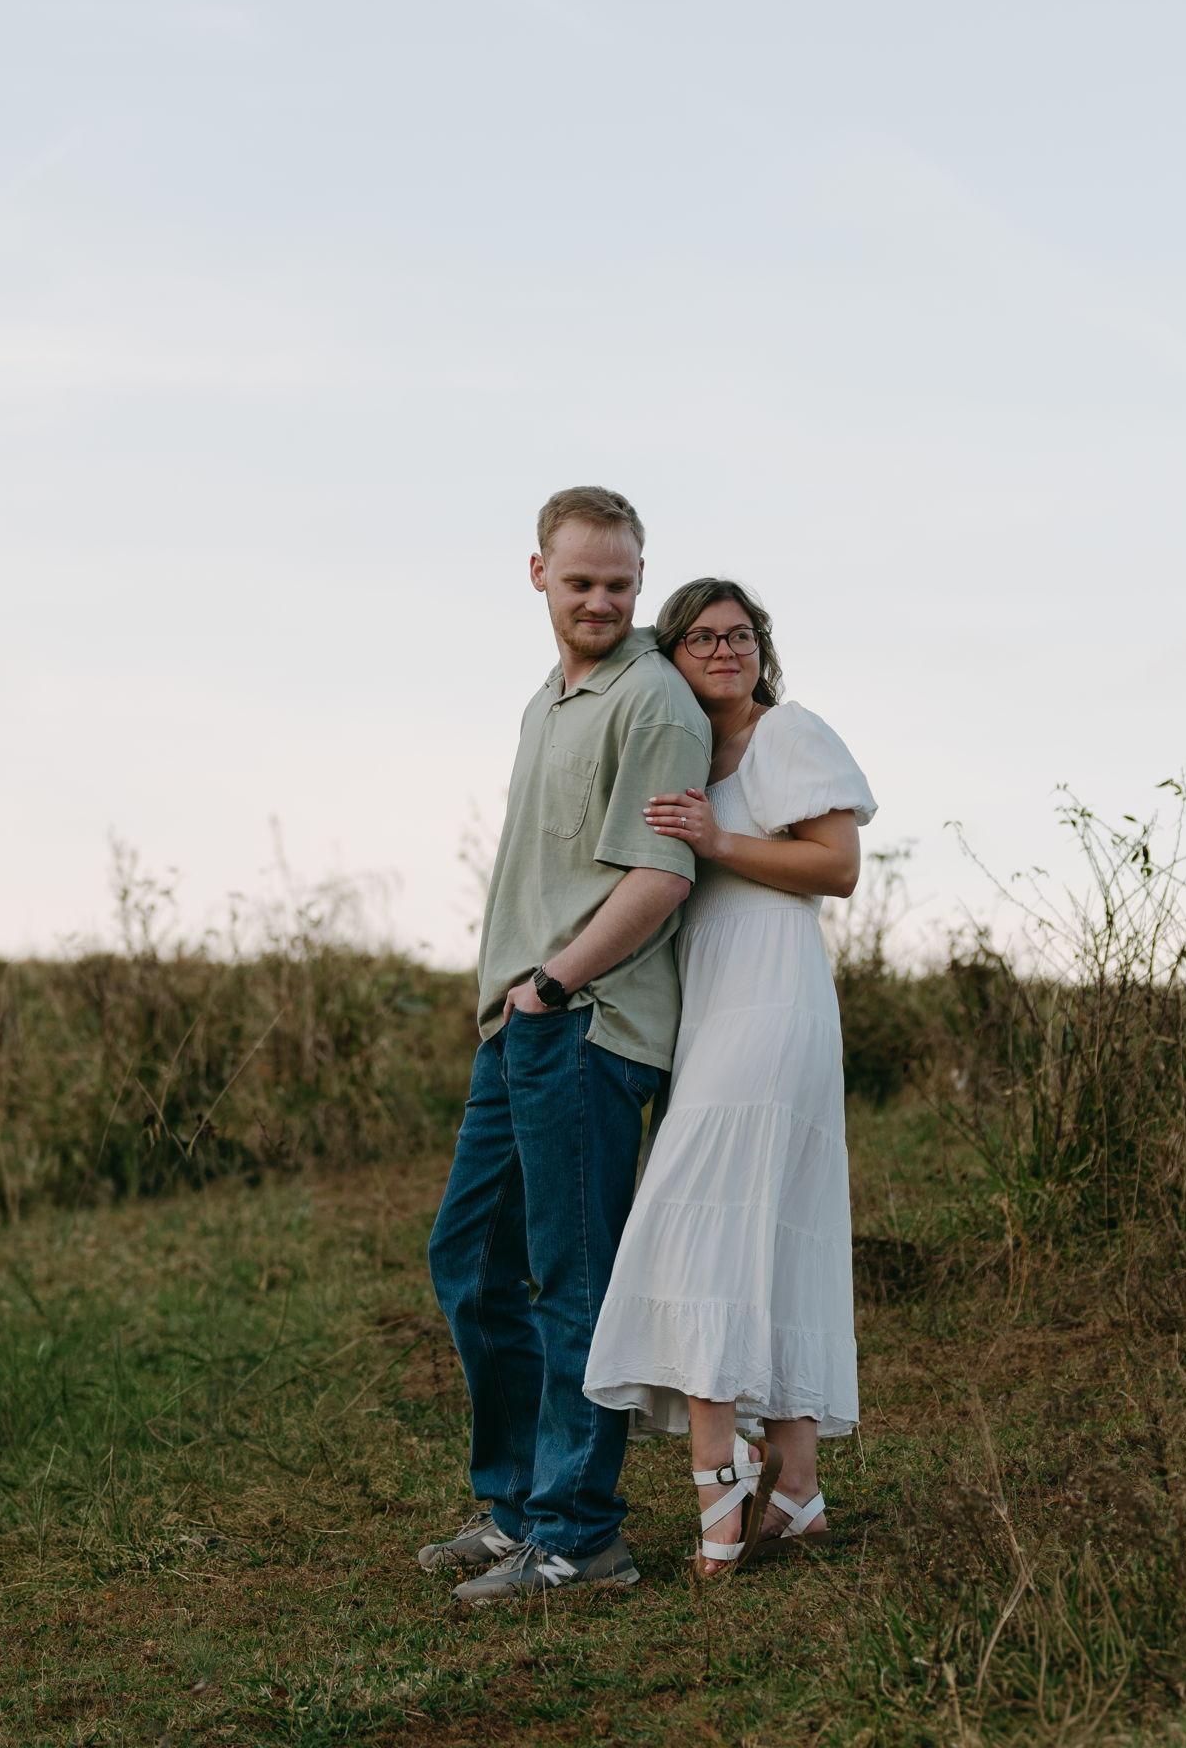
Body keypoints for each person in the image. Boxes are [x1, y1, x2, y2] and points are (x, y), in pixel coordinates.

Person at [421, 487, 710, 1604]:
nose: (601, 600)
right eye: (581, 580)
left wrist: (552, 985)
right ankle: (514, 1508)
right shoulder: (547, 701)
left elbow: (660, 874)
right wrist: (516, 1000)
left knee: (571, 1281)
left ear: (640, 579)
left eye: (620, 583)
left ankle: (581, 1536)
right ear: (537, 572)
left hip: (586, 1022)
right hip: (519, 1026)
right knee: (470, 1262)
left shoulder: (654, 700)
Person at [583, 578, 876, 1575]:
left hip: (773, 996)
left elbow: (836, 867)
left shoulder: (784, 732)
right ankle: (797, 1489)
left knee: (689, 1217)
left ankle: (722, 1475)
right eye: (702, 637)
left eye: (740, 634)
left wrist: (716, 839)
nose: (724, 650)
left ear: (762, 648)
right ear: (670, 653)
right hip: (713, 1004)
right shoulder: (682, 755)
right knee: (769, 1226)